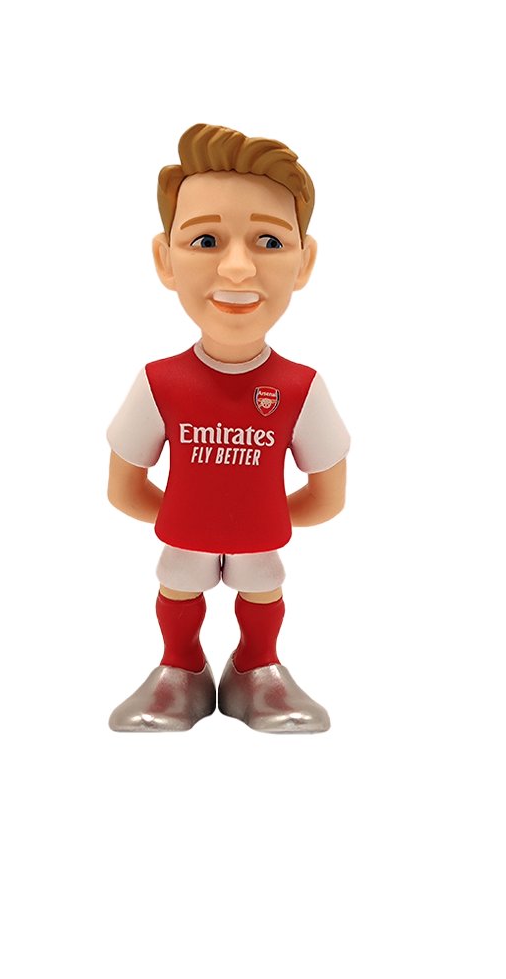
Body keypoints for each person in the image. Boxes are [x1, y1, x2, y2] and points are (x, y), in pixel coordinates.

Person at [106, 123, 349, 733]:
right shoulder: (159, 383)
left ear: (304, 261)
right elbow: (123, 488)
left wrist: (257, 516)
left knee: (262, 585)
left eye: (269, 241)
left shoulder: (301, 388)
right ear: (165, 259)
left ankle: (256, 668)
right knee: (178, 583)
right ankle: (181, 668)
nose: (237, 269)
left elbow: (329, 495)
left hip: (258, 540)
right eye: (206, 240)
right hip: (185, 537)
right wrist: (190, 513)